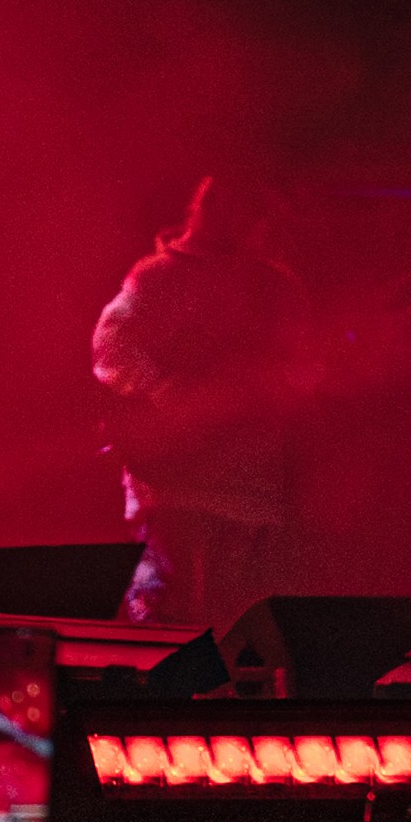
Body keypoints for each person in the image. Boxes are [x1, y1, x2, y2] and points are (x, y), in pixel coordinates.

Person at [91, 175, 312, 636]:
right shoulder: (156, 277)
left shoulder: (273, 286)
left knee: (238, 622)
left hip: (247, 486)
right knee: (162, 615)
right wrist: (166, 392)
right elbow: (111, 344)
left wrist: (275, 387)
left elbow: (302, 367)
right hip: (170, 484)